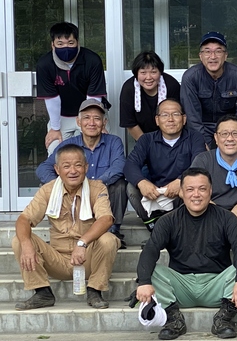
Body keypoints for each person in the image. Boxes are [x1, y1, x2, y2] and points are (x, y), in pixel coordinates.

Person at [135, 168, 237, 340]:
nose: (196, 194)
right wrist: (144, 282)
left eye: (202, 189)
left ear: (210, 191)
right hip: (181, 287)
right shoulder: (168, 221)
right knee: (153, 270)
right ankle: (173, 320)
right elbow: (151, 250)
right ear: (181, 192)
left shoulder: (227, 218)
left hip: (216, 286)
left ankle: (224, 319)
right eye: (190, 189)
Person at [12, 144, 119, 310]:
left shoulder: (97, 188)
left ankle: (95, 290)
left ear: (86, 167)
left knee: (109, 239)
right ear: (57, 169)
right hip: (57, 260)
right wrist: (26, 245)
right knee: (20, 240)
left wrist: (82, 243)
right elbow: (24, 219)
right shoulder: (48, 190)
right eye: (66, 166)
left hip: (86, 259)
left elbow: (106, 219)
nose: (73, 171)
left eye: (78, 165)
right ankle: (42, 293)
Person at [36, 98, 128, 248]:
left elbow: (120, 165)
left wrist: (96, 184)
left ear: (104, 123)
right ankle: (65, 232)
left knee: (120, 185)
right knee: (49, 185)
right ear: (78, 122)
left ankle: (112, 230)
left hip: (101, 195)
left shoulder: (113, 142)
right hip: (75, 195)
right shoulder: (68, 144)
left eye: (97, 118)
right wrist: (59, 183)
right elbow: (43, 168)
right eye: (86, 118)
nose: (91, 123)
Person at [192, 114, 237, 273]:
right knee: (194, 206)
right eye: (224, 134)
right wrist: (216, 211)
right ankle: (208, 262)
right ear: (216, 138)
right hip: (213, 209)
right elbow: (189, 189)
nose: (230, 138)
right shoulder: (204, 159)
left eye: (235, 133)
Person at [124, 99, 205, 232]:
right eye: (165, 115)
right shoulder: (147, 139)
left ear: (184, 119)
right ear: (157, 120)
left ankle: (180, 225)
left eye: (176, 114)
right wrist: (142, 182)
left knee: (194, 185)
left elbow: (200, 163)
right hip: (155, 192)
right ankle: (152, 224)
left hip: (181, 195)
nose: (170, 119)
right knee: (131, 187)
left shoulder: (195, 138)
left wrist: (181, 181)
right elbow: (130, 164)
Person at [36, 22, 108, 155]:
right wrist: (55, 128)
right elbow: (52, 99)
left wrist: (95, 122)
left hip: (89, 112)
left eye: (70, 43)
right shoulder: (44, 64)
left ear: (77, 42)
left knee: (97, 151)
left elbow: (93, 97)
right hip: (61, 116)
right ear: (53, 45)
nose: (66, 47)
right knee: (55, 150)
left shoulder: (92, 60)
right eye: (60, 44)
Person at [182, 31, 237, 149]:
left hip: (230, 127)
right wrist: (202, 141)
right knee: (202, 156)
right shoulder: (190, 77)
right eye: (207, 51)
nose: (213, 57)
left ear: (225, 55)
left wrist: (234, 135)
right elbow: (192, 116)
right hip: (202, 128)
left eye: (218, 51)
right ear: (201, 56)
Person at [119, 51, 181, 141]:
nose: (148, 77)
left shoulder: (171, 85)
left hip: (171, 137)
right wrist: (146, 144)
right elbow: (130, 123)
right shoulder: (129, 89)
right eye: (143, 72)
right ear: (136, 74)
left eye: (153, 72)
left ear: (160, 72)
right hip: (142, 139)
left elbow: (178, 118)